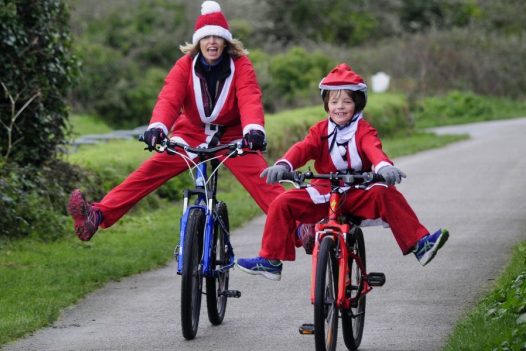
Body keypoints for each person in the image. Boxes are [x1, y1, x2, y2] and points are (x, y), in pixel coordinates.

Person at [68, 1, 284, 241]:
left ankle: (300, 229)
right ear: (198, 42)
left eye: (217, 37)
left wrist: (254, 131)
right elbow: (169, 99)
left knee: (262, 179)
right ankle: (96, 216)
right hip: (190, 133)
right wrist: (157, 128)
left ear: (226, 42)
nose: (212, 42)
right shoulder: (184, 66)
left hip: (232, 136)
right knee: (148, 171)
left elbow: (249, 97)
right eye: (206, 37)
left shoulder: (241, 65)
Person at [236, 63, 449, 281]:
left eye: (347, 101)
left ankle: (419, 244)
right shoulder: (320, 130)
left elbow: (372, 149)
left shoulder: (364, 129)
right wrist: (284, 165)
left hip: (357, 191)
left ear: (357, 105)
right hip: (324, 192)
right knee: (282, 202)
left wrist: (384, 167)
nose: (340, 107)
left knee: (386, 193)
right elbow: (303, 148)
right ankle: (271, 259)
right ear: (326, 105)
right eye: (334, 101)